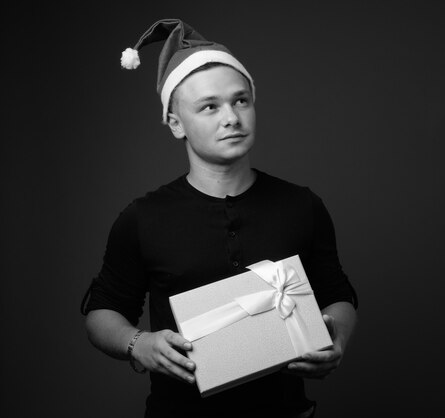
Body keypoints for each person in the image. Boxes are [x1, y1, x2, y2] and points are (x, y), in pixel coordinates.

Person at [81, 19, 358, 418]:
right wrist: (138, 343)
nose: (231, 117)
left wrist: (338, 339)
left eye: (241, 100)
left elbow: (338, 293)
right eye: (209, 106)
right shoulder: (143, 218)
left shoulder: (302, 205)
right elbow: (102, 311)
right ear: (176, 123)